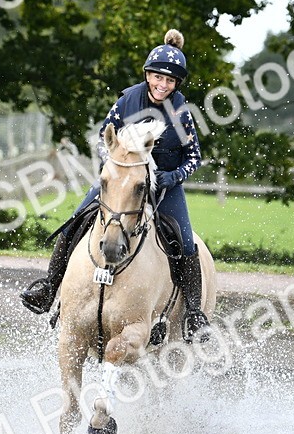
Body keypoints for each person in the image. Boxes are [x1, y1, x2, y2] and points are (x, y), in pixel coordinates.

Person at [20, 28, 210, 339]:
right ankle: (49, 289)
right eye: (158, 77)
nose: (162, 85)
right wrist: (115, 167)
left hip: (164, 184)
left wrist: (171, 177)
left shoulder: (181, 113)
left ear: (176, 84)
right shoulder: (126, 101)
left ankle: (192, 312)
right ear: (148, 75)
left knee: (186, 241)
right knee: (74, 222)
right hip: (123, 176)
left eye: (170, 81)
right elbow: (102, 141)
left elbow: (193, 157)